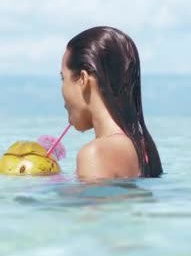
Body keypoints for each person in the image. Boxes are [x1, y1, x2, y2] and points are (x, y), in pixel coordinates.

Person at [60, 26, 162, 180]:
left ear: (83, 79)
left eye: (63, 78)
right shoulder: (143, 146)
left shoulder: (95, 153)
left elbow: (92, 202)